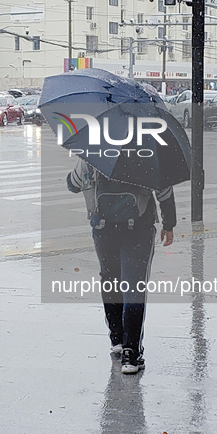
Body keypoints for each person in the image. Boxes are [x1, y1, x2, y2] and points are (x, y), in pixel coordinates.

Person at [67, 160, 176, 374]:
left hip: (103, 228)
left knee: (109, 280)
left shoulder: (93, 151)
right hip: (138, 228)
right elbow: (164, 191)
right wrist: (168, 223)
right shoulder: (146, 152)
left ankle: (117, 340)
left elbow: (72, 184)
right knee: (134, 286)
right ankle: (131, 354)